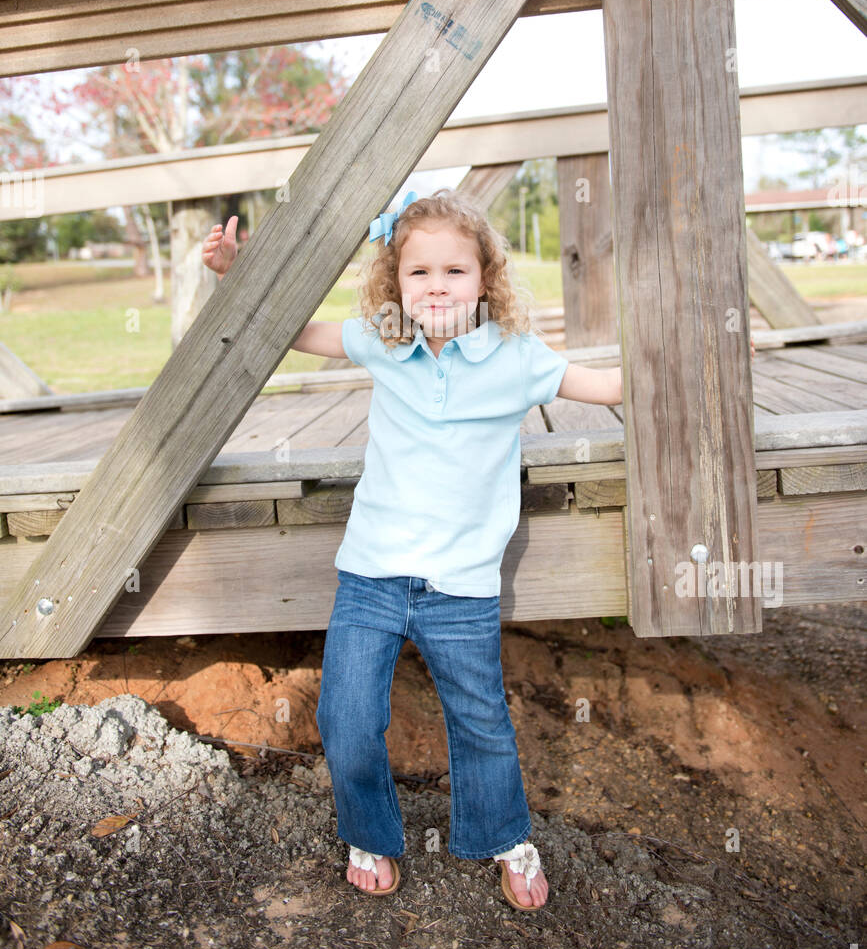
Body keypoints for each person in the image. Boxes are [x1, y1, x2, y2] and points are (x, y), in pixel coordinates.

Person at [202, 189, 752, 911]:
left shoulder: (516, 358)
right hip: (371, 573)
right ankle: (368, 832)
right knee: (345, 716)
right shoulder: (384, 340)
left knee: (480, 719)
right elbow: (293, 330)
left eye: (454, 272)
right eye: (418, 272)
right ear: (394, 283)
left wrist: (688, 331)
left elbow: (611, 385)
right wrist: (235, 273)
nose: (435, 286)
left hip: (460, 584)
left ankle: (505, 838)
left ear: (485, 277)